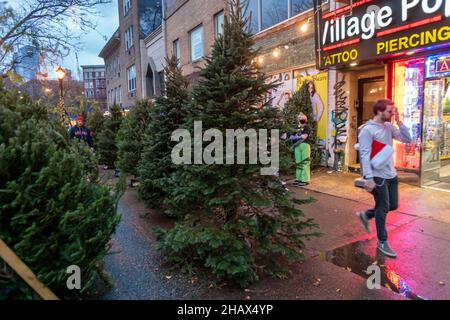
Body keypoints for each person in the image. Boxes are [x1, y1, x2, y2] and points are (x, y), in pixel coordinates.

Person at [356, 99, 412, 258]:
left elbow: (407, 139)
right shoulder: (367, 130)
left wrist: (400, 122)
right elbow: (364, 154)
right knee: (383, 206)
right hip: (377, 176)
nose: (392, 114)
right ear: (380, 111)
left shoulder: (389, 127)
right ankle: (382, 241)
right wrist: (368, 178)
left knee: (393, 205)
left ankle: (366, 215)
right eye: (390, 111)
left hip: (391, 174)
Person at [289, 112, 311, 187]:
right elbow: (290, 137)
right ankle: (298, 178)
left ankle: (305, 180)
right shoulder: (296, 128)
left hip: (305, 146)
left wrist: (296, 137)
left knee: (305, 163)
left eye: (303, 119)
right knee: (298, 163)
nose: (302, 120)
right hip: (296, 147)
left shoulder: (306, 127)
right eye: (300, 118)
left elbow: (304, 137)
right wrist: (299, 136)